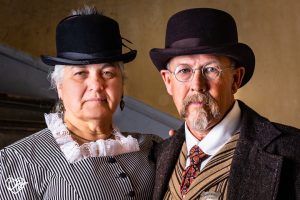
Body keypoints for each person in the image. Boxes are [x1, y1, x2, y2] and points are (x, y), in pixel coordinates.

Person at [0, 6, 161, 199]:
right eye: (80, 73)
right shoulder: (20, 162)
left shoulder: (153, 148)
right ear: (59, 85)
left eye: (108, 73)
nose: (96, 84)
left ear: (122, 84)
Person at [150, 8, 300, 200]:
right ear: (168, 81)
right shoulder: (156, 156)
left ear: (236, 79)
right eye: (184, 71)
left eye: (211, 69)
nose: (197, 85)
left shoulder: (293, 150)